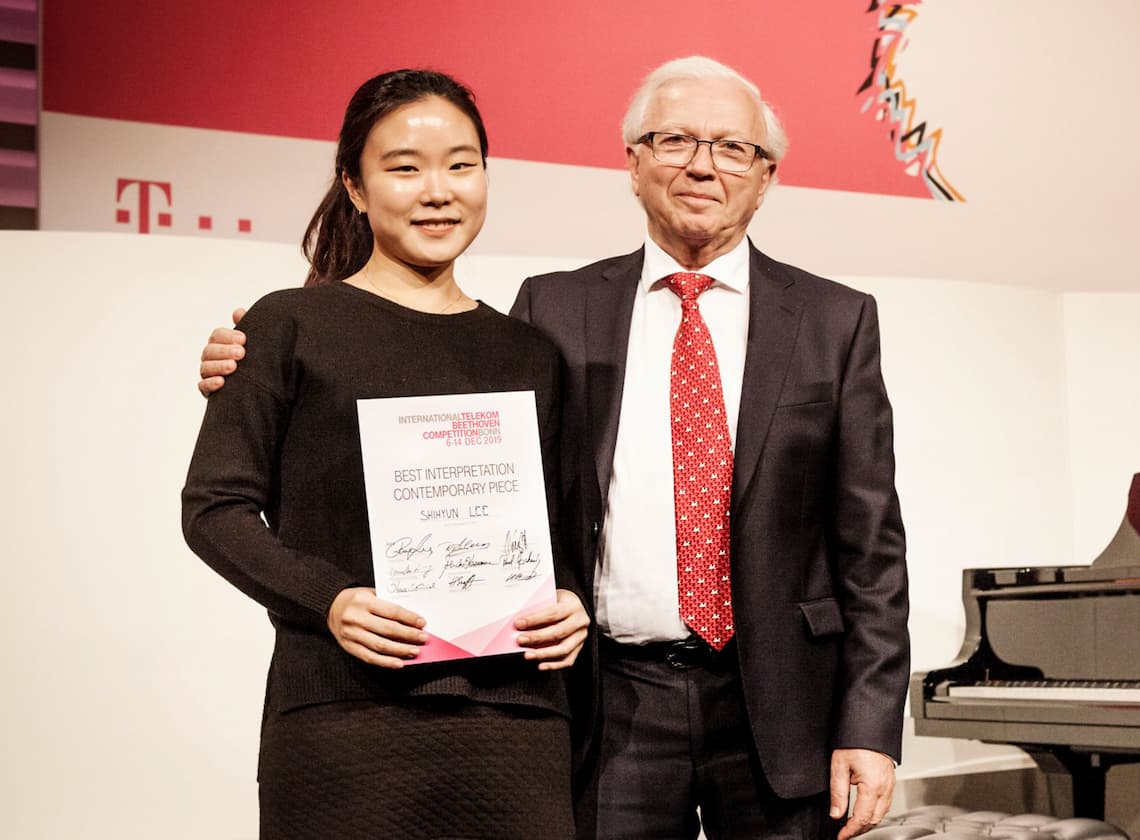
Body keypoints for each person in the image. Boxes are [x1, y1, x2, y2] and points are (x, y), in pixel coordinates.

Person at [199, 55, 910, 840]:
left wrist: (872, 726)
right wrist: (248, 363)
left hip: (778, 707)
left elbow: (869, 546)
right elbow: (475, 448)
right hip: (608, 704)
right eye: (673, 140)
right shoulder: (554, 312)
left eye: (732, 147)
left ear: (767, 173)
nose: (702, 165)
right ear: (633, 164)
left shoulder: (836, 321)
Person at [182, 69, 589, 839]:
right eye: (404, 167)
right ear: (356, 188)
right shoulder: (288, 325)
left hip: (516, 720)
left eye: (461, 165)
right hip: (343, 717)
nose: (438, 190)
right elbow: (214, 509)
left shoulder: (531, 352)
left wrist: (570, 604)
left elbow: (559, 532)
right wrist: (330, 599)